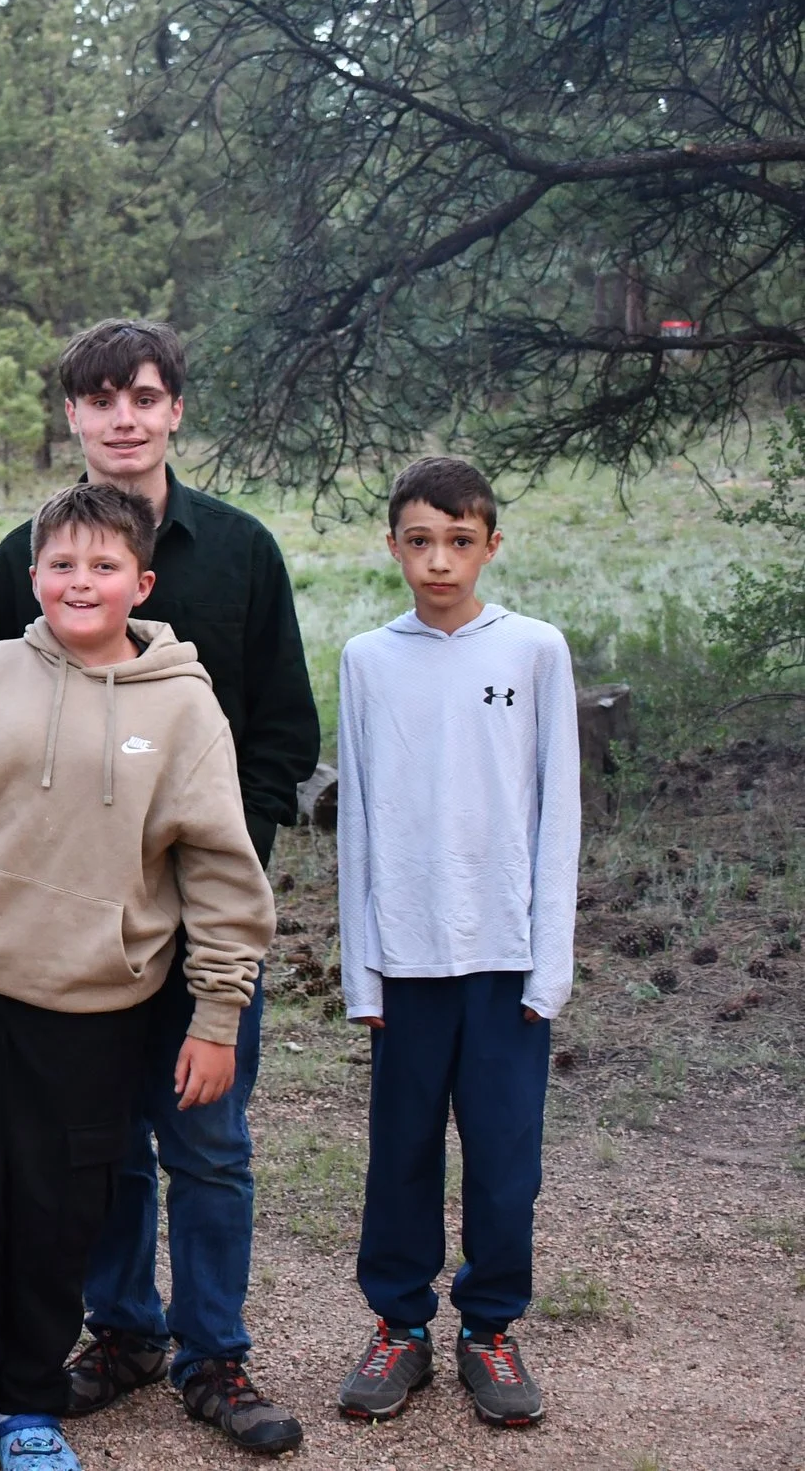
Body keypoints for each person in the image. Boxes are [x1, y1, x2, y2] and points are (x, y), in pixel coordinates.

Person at [0, 482, 276, 1471]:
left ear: (142, 583)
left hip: (100, 1007)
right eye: (61, 564)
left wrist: (217, 1011)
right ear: (33, 574)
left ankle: (27, 1405)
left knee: (59, 1209)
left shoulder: (183, 706)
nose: (80, 581)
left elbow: (220, 869)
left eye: (104, 565)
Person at [0, 322, 318, 1455]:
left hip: (203, 907)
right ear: (72, 414)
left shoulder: (240, 550)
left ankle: (214, 1351)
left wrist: (220, 857)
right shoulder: (22, 560)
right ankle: (121, 1328)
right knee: (104, 1137)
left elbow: (282, 729)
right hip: (78, 911)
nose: (123, 416)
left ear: (175, 409)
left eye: (144, 395)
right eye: (101, 398)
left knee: (207, 1137)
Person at [333, 456, 576, 1430]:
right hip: (406, 958)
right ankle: (399, 1325)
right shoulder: (367, 659)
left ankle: (490, 1326)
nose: (439, 560)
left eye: (459, 541)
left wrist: (549, 965)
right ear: (393, 545)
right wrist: (362, 974)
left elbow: (557, 814)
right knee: (400, 1152)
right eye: (420, 541)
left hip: (506, 958)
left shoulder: (534, 650)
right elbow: (356, 824)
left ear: (490, 545)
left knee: (505, 1158)